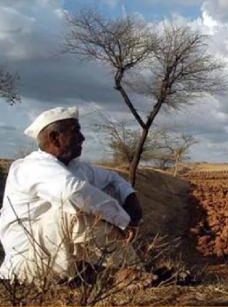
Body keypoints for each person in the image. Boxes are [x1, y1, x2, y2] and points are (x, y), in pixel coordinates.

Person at [0, 106, 143, 283]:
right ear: (55, 138)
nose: (82, 138)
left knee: (101, 197)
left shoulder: (74, 167)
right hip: (27, 263)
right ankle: (130, 272)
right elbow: (73, 193)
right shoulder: (31, 167)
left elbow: (112, 179)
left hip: (55, 256)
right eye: (76, 132)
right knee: (73, 209)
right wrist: (124, 221)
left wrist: (131, 199)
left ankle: (129, 270)